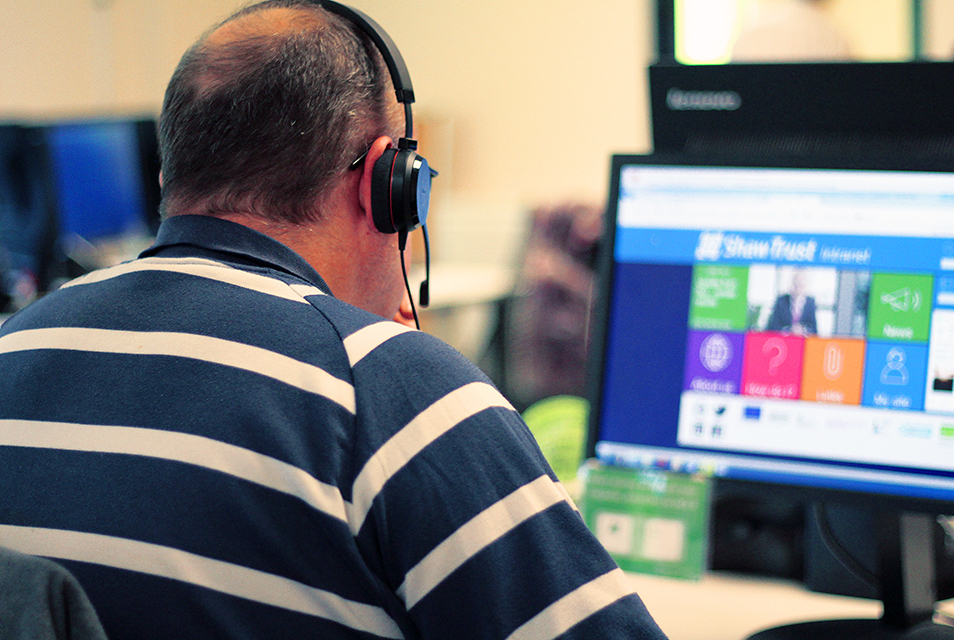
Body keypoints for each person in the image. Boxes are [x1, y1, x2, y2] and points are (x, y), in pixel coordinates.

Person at [0, 2, 667, 639]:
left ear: (171, 173)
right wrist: (399, 373)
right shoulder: (389, 391)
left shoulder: (14, 345)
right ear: (388, 183)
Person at [766, 269, 818, 334]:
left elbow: (814, 329)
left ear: (805, 286)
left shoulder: (811, 302)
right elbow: (773, 327)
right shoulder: (781, 301)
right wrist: (789, 329)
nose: (798, 288)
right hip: (784, 338)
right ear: (790, 285)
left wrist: (803, 330)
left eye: (801, 285)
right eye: (795, 284)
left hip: (803, 338)